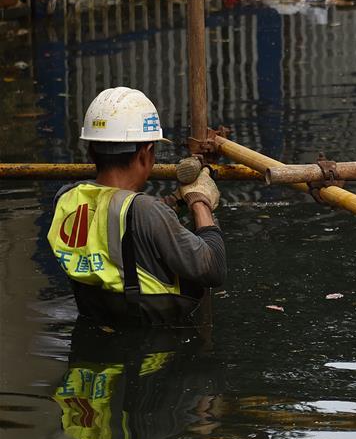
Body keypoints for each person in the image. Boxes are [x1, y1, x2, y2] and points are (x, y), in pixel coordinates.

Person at [47, 87, 226, 326]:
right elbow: (213, 267)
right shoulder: (145, 211)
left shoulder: (67, 197)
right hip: (155, 344)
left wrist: (176, 200)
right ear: (146, 153)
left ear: (90, 150)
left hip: (94, 321)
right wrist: (200, 201)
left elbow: (120, 222)